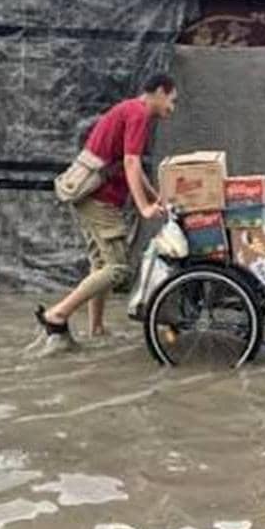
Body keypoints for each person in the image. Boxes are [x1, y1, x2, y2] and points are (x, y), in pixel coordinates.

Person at [33, 74, 177, 351]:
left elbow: (127, 165)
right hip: (100, 200)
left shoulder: (128, 110)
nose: (173, 107)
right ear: (159, 92)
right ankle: (58, 314)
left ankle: (96, 329)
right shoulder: (139, 113)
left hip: (88, 198)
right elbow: (132, 162)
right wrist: (144, 207)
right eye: (172, 100)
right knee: (118, 268)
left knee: (101, 265)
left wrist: (155, 196)